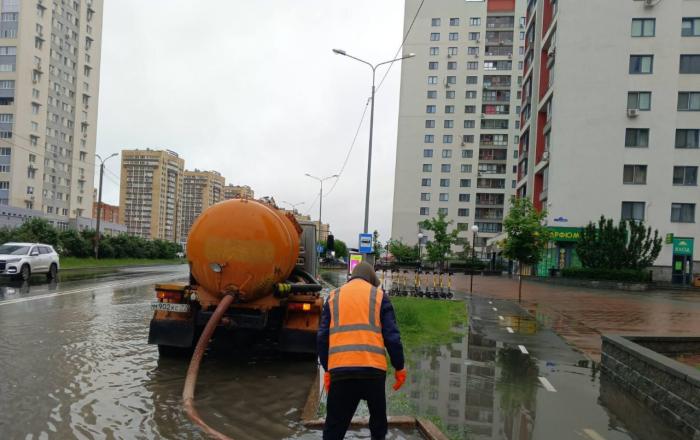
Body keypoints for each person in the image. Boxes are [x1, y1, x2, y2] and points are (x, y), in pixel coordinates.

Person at [317, 261, 406, 440]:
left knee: (334, 428)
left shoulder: (333, 297)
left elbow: (322, 337)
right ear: (371, 279)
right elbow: (392, 337)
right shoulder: (380, 296)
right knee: (378, 426)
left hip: (341, 373)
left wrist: (328, 369)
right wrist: (399, 367)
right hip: (373, 373)